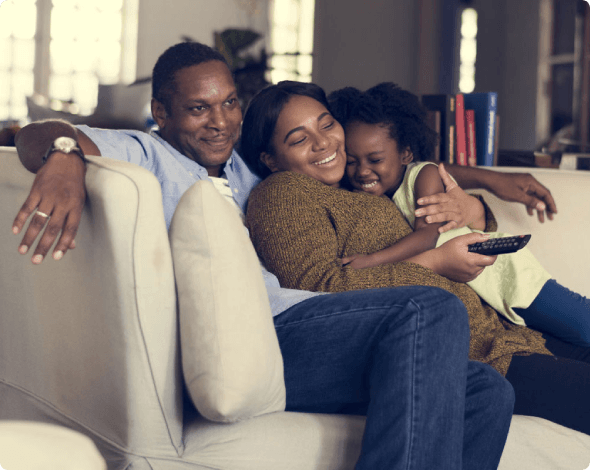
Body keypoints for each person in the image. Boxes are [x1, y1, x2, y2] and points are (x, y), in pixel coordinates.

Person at [10, 41, 519, 470]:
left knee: (485, 392)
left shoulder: (249, 169)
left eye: (230, 104)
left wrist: (478, 189)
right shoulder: (146, 154)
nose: (220, 123)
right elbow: (32, 134)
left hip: (300, 325)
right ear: (160, 113)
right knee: (427, 308)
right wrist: (62, 157)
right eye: (198, 108)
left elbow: (375, 168)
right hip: (256, 337)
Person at [241, 80, 590, 436]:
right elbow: (321, 292)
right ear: (269, 159)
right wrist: (435, 262)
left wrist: (485, 189)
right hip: (474, 354)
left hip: (505, 331)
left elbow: (417, 171)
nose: (323, 142)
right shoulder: (283, 193)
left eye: (327, 124)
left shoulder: (353, 180)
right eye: (299, 139)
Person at [328, 82, 590, 347]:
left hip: (510, 278)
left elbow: (427, 236)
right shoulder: (373, 192)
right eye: (352, 161)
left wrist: (373, 261)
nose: (362, 171)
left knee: (584, 326)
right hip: (488, 298)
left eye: (375, 160)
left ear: (405, 153)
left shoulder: (424, 175)